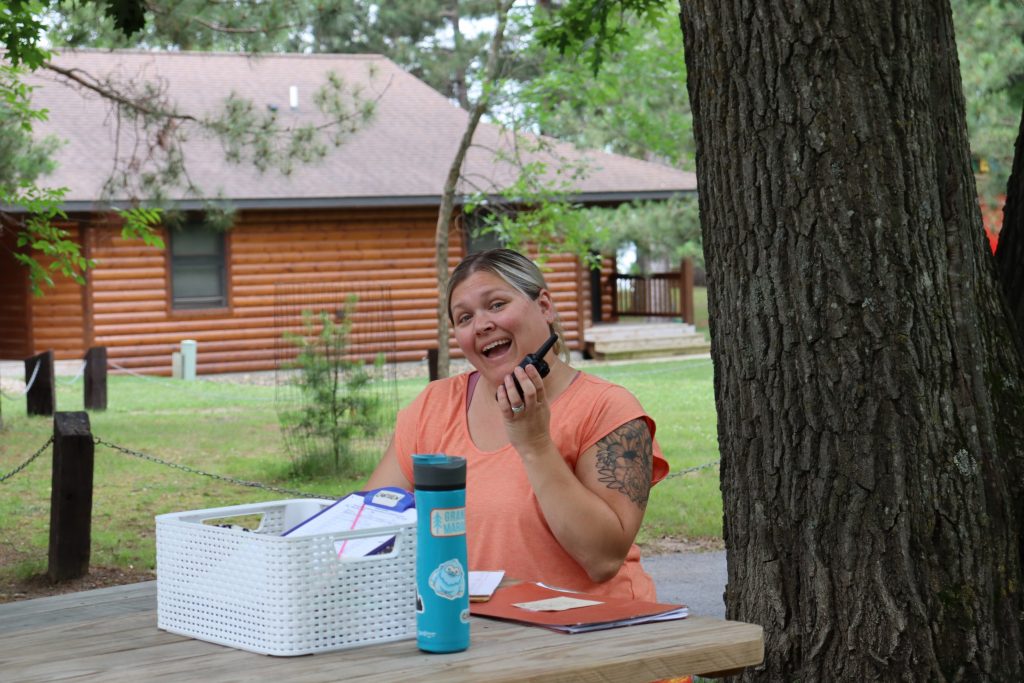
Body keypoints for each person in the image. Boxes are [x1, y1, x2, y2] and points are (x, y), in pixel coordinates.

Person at [366, 248, 669, 600]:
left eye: (496, 305)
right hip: (475, 630)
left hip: (593, 633)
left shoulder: (609, 409)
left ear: (544, 306)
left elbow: (602, 558)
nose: (482, 325)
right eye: (464, 318)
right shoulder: (432, 407)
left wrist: (535, 443)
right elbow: (371, 528)